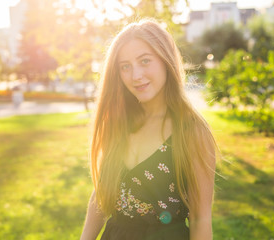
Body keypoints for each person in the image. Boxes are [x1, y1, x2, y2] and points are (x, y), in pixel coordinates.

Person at [81, 19, 217, 240]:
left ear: (166, 60)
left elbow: (200, 218)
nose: (135, 76)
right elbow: (101, 194)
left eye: (144, 61)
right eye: (125, 66)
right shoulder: (121, 122)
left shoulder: (191, 131)